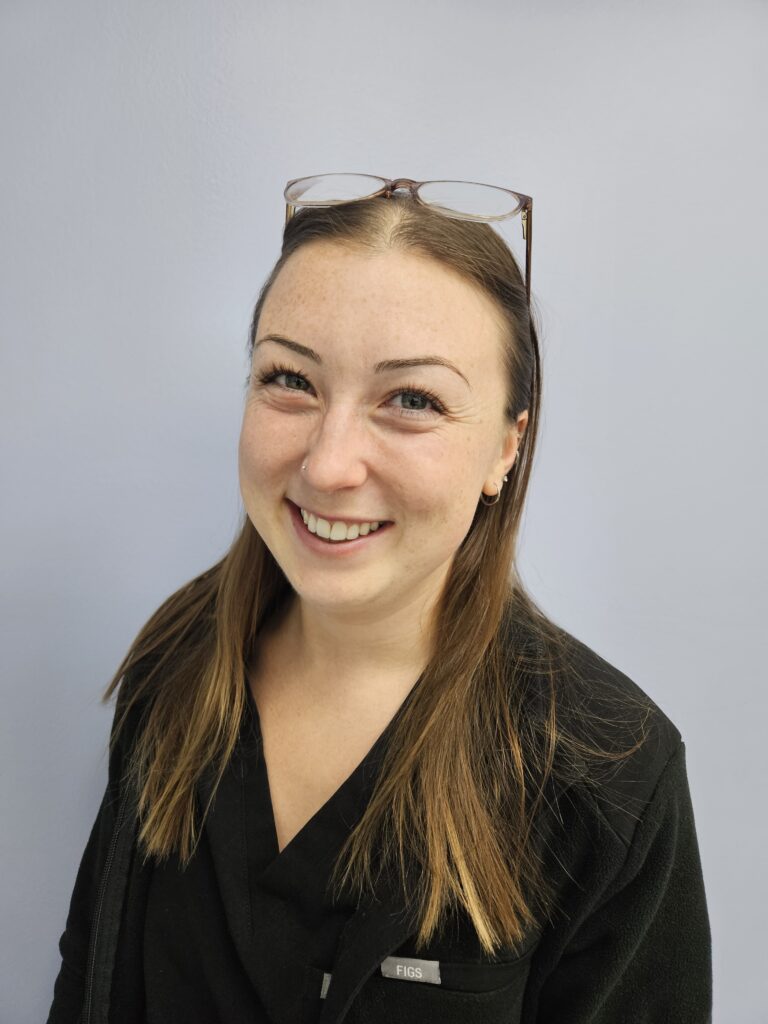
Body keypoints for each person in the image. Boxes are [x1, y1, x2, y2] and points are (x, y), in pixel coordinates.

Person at [46, 174, 713, 1024]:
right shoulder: (178, 660)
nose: (329, 464)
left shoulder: (608, 777)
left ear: (506, 448)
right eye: (290, 379)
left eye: (412, 399)